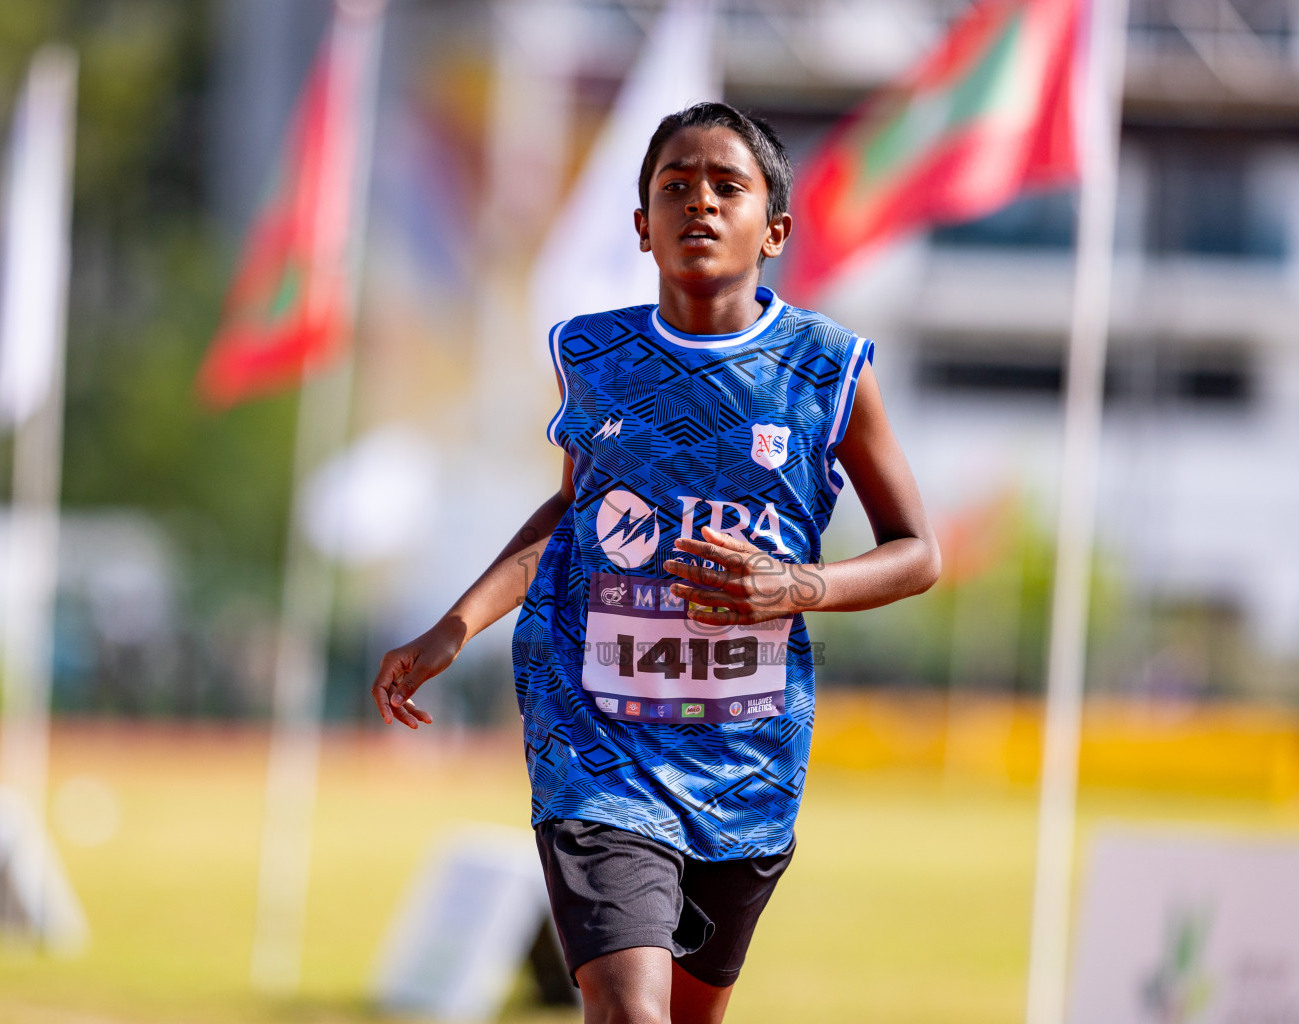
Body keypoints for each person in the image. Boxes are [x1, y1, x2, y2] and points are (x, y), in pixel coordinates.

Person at [371, 102, 939, 1024]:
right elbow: (572, 510)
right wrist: (456, 625)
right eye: (675, 187)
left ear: (774, 228)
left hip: (745, 755)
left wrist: (798, 585)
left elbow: (919, 552)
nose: (699, 205)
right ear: (641, 226)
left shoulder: (828, 368)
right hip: (595, 742)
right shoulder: (593, 355)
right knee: (631, 1014)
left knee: (687, 1015)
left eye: (727, 187)